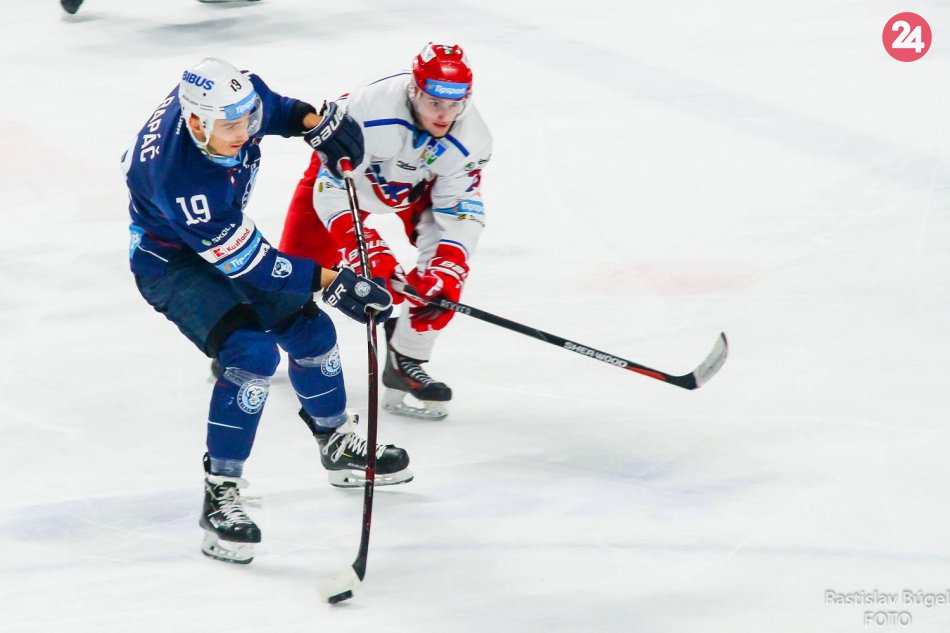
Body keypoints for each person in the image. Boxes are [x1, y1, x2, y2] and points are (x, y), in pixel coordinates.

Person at [123, 57, 412, 565]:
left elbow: (275, 109)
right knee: (251, 356)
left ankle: (335, 440)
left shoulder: (233, 102)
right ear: (196, 123)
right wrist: (336, 280)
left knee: (312, 331)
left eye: (245, 121)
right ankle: (220, 491)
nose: (243, 133)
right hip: (171, 263)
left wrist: (315, 124)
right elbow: (254, 264)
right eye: (229, 128)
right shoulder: (180, 181)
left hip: (222, 235)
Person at [279, 43, 492, 421]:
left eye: (454, 104)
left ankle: (406, 356)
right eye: (434, 103)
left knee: (444, 281)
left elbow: (459, 212)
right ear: (414, 91)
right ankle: (249, 333)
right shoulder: (368, 111)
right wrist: (366, 249)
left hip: (415, 189)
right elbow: (331, 192)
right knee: (288, 279)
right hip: (347, 183)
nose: (444, 115)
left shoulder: (471, 139)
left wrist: (448, 266)